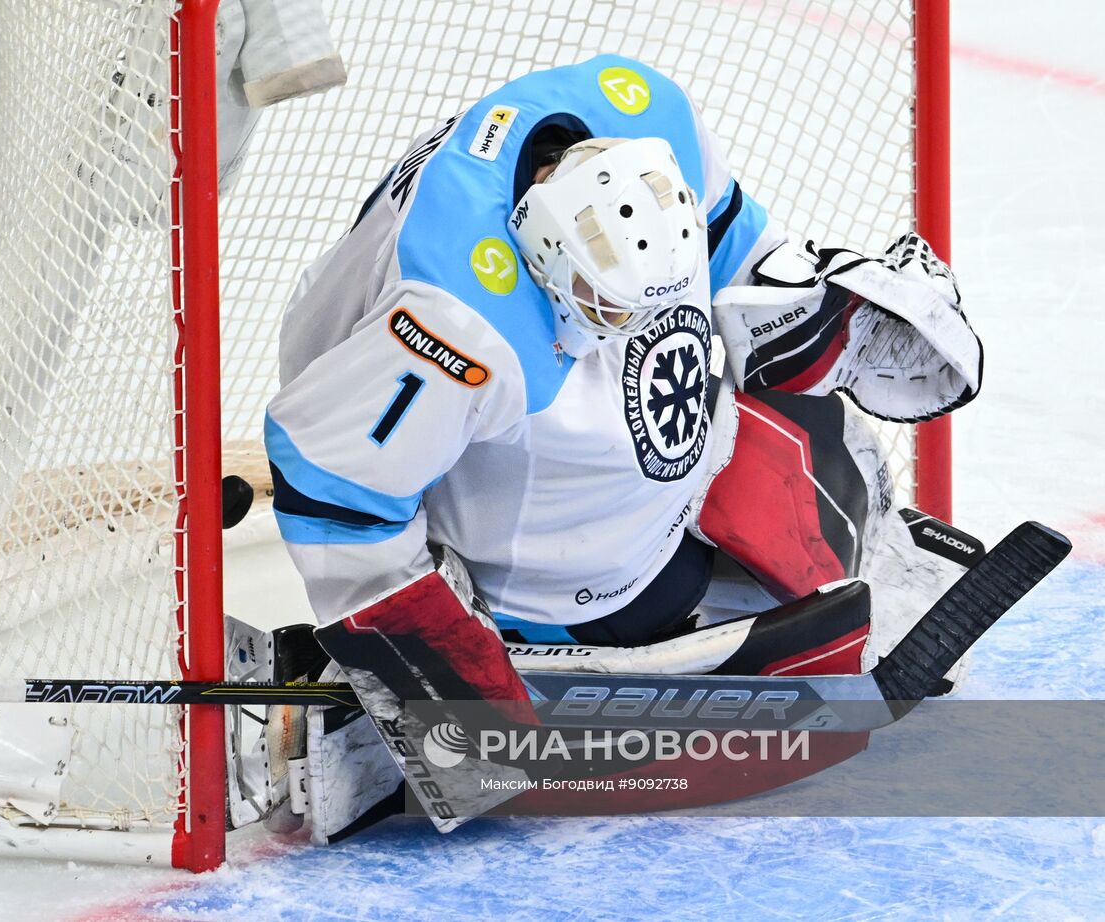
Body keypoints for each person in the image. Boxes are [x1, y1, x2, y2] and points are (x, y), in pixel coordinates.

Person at [263, 55, 983, 831]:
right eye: (606, 313)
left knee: (813, 451)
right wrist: (435, 683)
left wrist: (811, 302)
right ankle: (532, 622)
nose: (633, 333)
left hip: (497, 409)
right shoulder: (458, 326)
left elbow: (724, 233)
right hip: (486, 498)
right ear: (534, 252)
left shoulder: (643, 115)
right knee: (708, 608)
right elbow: (331, 485)